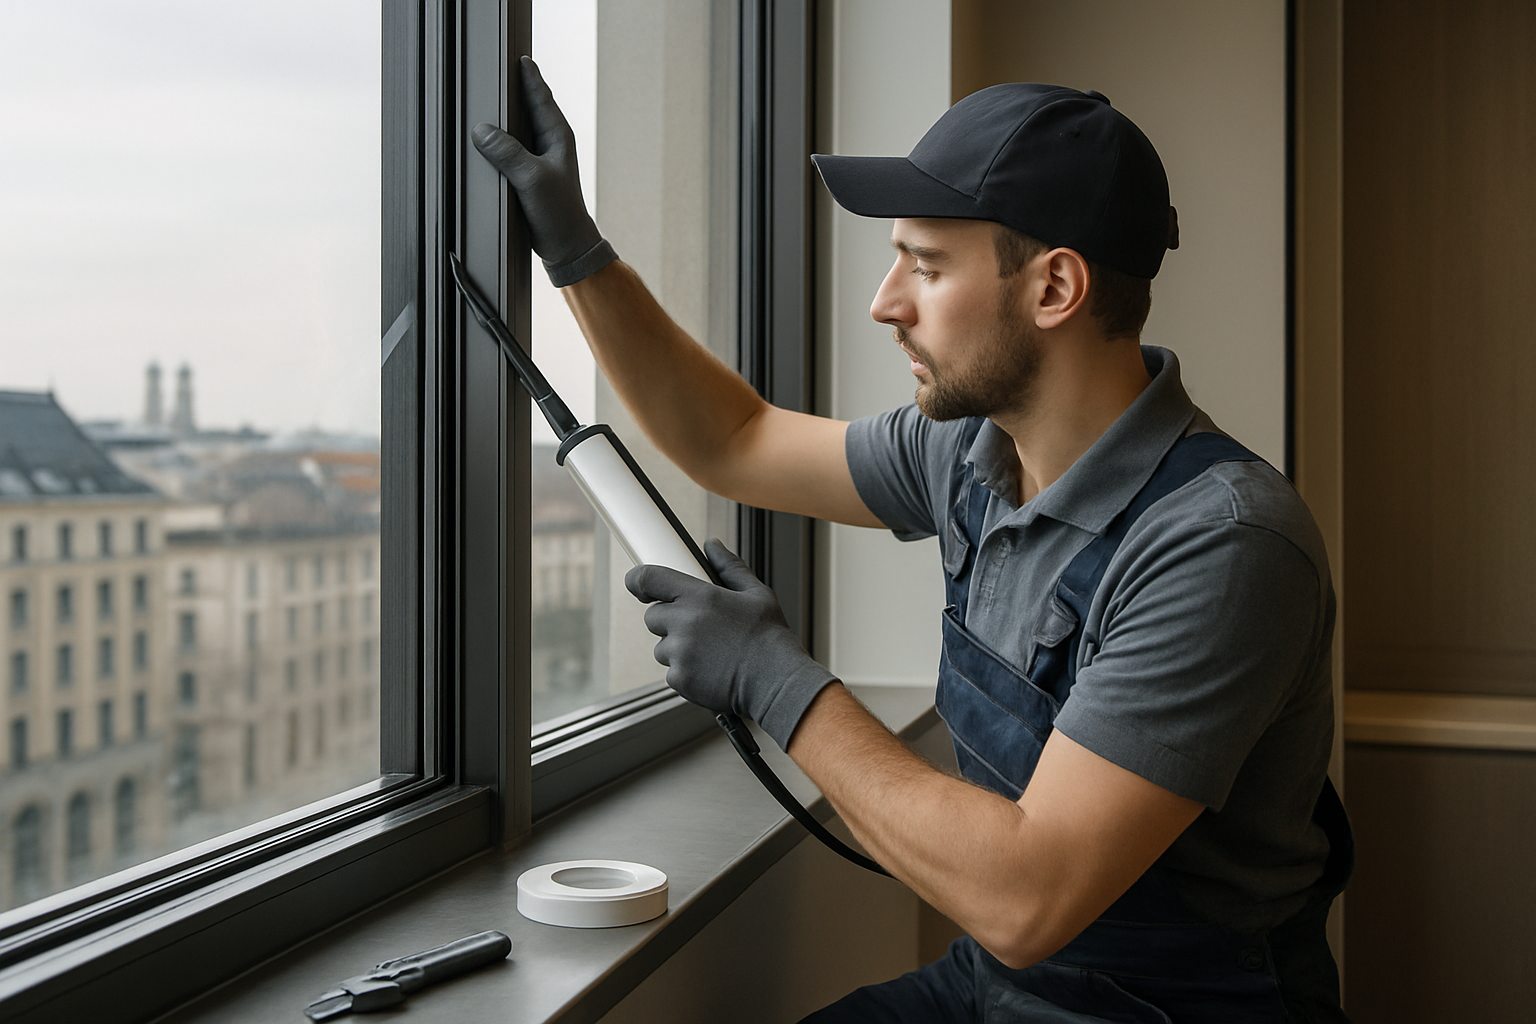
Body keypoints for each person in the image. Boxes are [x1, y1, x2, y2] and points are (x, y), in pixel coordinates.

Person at [473, 55, 1353, 1024]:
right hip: (1000, 989)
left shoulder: (1222, 546)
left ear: (1054, 286)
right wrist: (578, 255)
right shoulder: (970, 450)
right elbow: (736, 440)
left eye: (927, 268)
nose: (885, 302)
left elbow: (1027, 895)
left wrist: (774, 678)